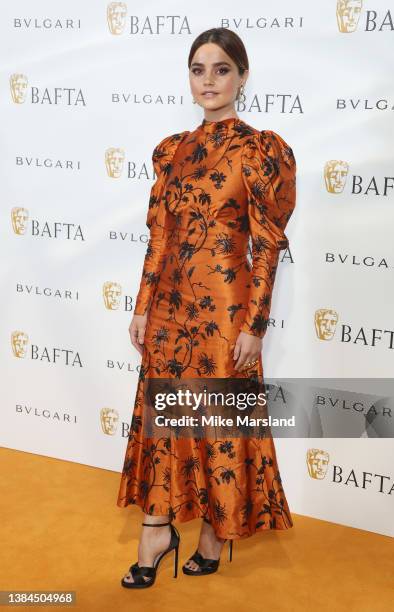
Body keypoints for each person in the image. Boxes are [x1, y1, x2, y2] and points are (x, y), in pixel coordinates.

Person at [117, 26, 296, 588]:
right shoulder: (171, 151)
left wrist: (255, 325)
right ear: (189, 79)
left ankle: (215, 533)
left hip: (224, 312)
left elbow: (265, 244)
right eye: (199, 69)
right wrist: (144, 305)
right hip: (169, 311)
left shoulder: (259, 149)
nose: (209, 80)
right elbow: (160, 239)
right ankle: (157, 529)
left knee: (217, 425)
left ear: (242, 76)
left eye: (221, 69)